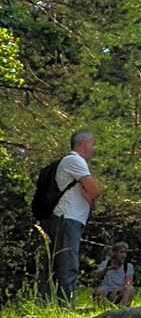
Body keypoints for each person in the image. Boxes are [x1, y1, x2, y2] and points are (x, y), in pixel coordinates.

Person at [49, 130, 102, 303]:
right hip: (68, 218)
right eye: (92, 144)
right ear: (84, 144)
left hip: (72, 219)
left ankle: (62, 302)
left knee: (68, 262)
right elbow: (95, 190)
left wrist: (89, 191)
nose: (94, 149)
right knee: (68, 264)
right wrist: (90, 191)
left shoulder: (76, 163)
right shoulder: (74, 160)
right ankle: (64, 305)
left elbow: (92, 191)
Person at [94, 241, 134, 306]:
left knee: (130, 289)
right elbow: (97, 276)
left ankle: (122, 310)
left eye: (125, 253)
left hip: (119, 292)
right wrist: (108, 269)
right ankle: (104, 310)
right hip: (107, 292)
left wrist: (118, 289)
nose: (124, 255)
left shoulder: (128, 266)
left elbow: (128, 283)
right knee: (99, 290)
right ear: (115, 253)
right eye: (121, 252)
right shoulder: (105, 264)